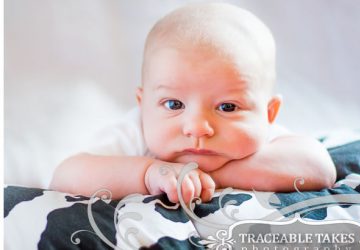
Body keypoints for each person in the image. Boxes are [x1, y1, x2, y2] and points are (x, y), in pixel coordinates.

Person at [50, 3, 336, 204]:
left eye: (227, 107)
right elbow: (65, 176)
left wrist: (213, 175)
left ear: (269, 113)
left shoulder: (259, 136)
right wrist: (148, 174)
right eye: (174, 104)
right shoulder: (136, 131)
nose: (198, 128)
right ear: (143, 104)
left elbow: (319, 166)